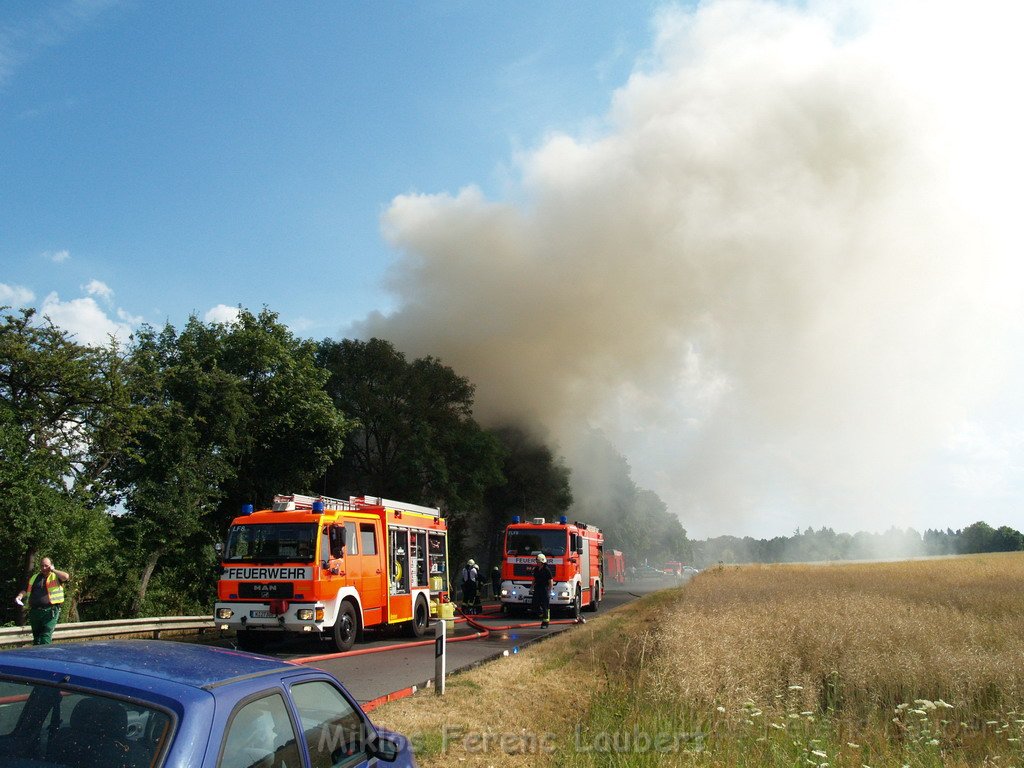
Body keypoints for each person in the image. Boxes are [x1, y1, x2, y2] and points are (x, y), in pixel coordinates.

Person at [15, 557, 70, 645]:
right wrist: (20, 596)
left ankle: (45, 657)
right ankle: (37, 657)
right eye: (42, 566)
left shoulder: (55, 576)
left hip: (50, 611)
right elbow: (26, 589)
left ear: (51, 566)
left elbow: (66, 577)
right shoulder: (35, 577)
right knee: (36, 638)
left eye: (46, 566)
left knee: (45, 636)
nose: (44, 568)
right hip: (35, 611)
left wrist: (54, 570)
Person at [531, 553, 552, 628]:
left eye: (538, 561)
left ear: (542, 562)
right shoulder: (536, 569)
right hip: (537, 588)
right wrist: (532, 587)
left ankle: (545, 622)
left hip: (544, 589)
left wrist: (549, 590)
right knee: (534, 604)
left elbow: (550, 581)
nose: (537, 563)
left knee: (545, 606)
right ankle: (541, 614)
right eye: (537, 561)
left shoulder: (547, 570)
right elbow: (534, 579)